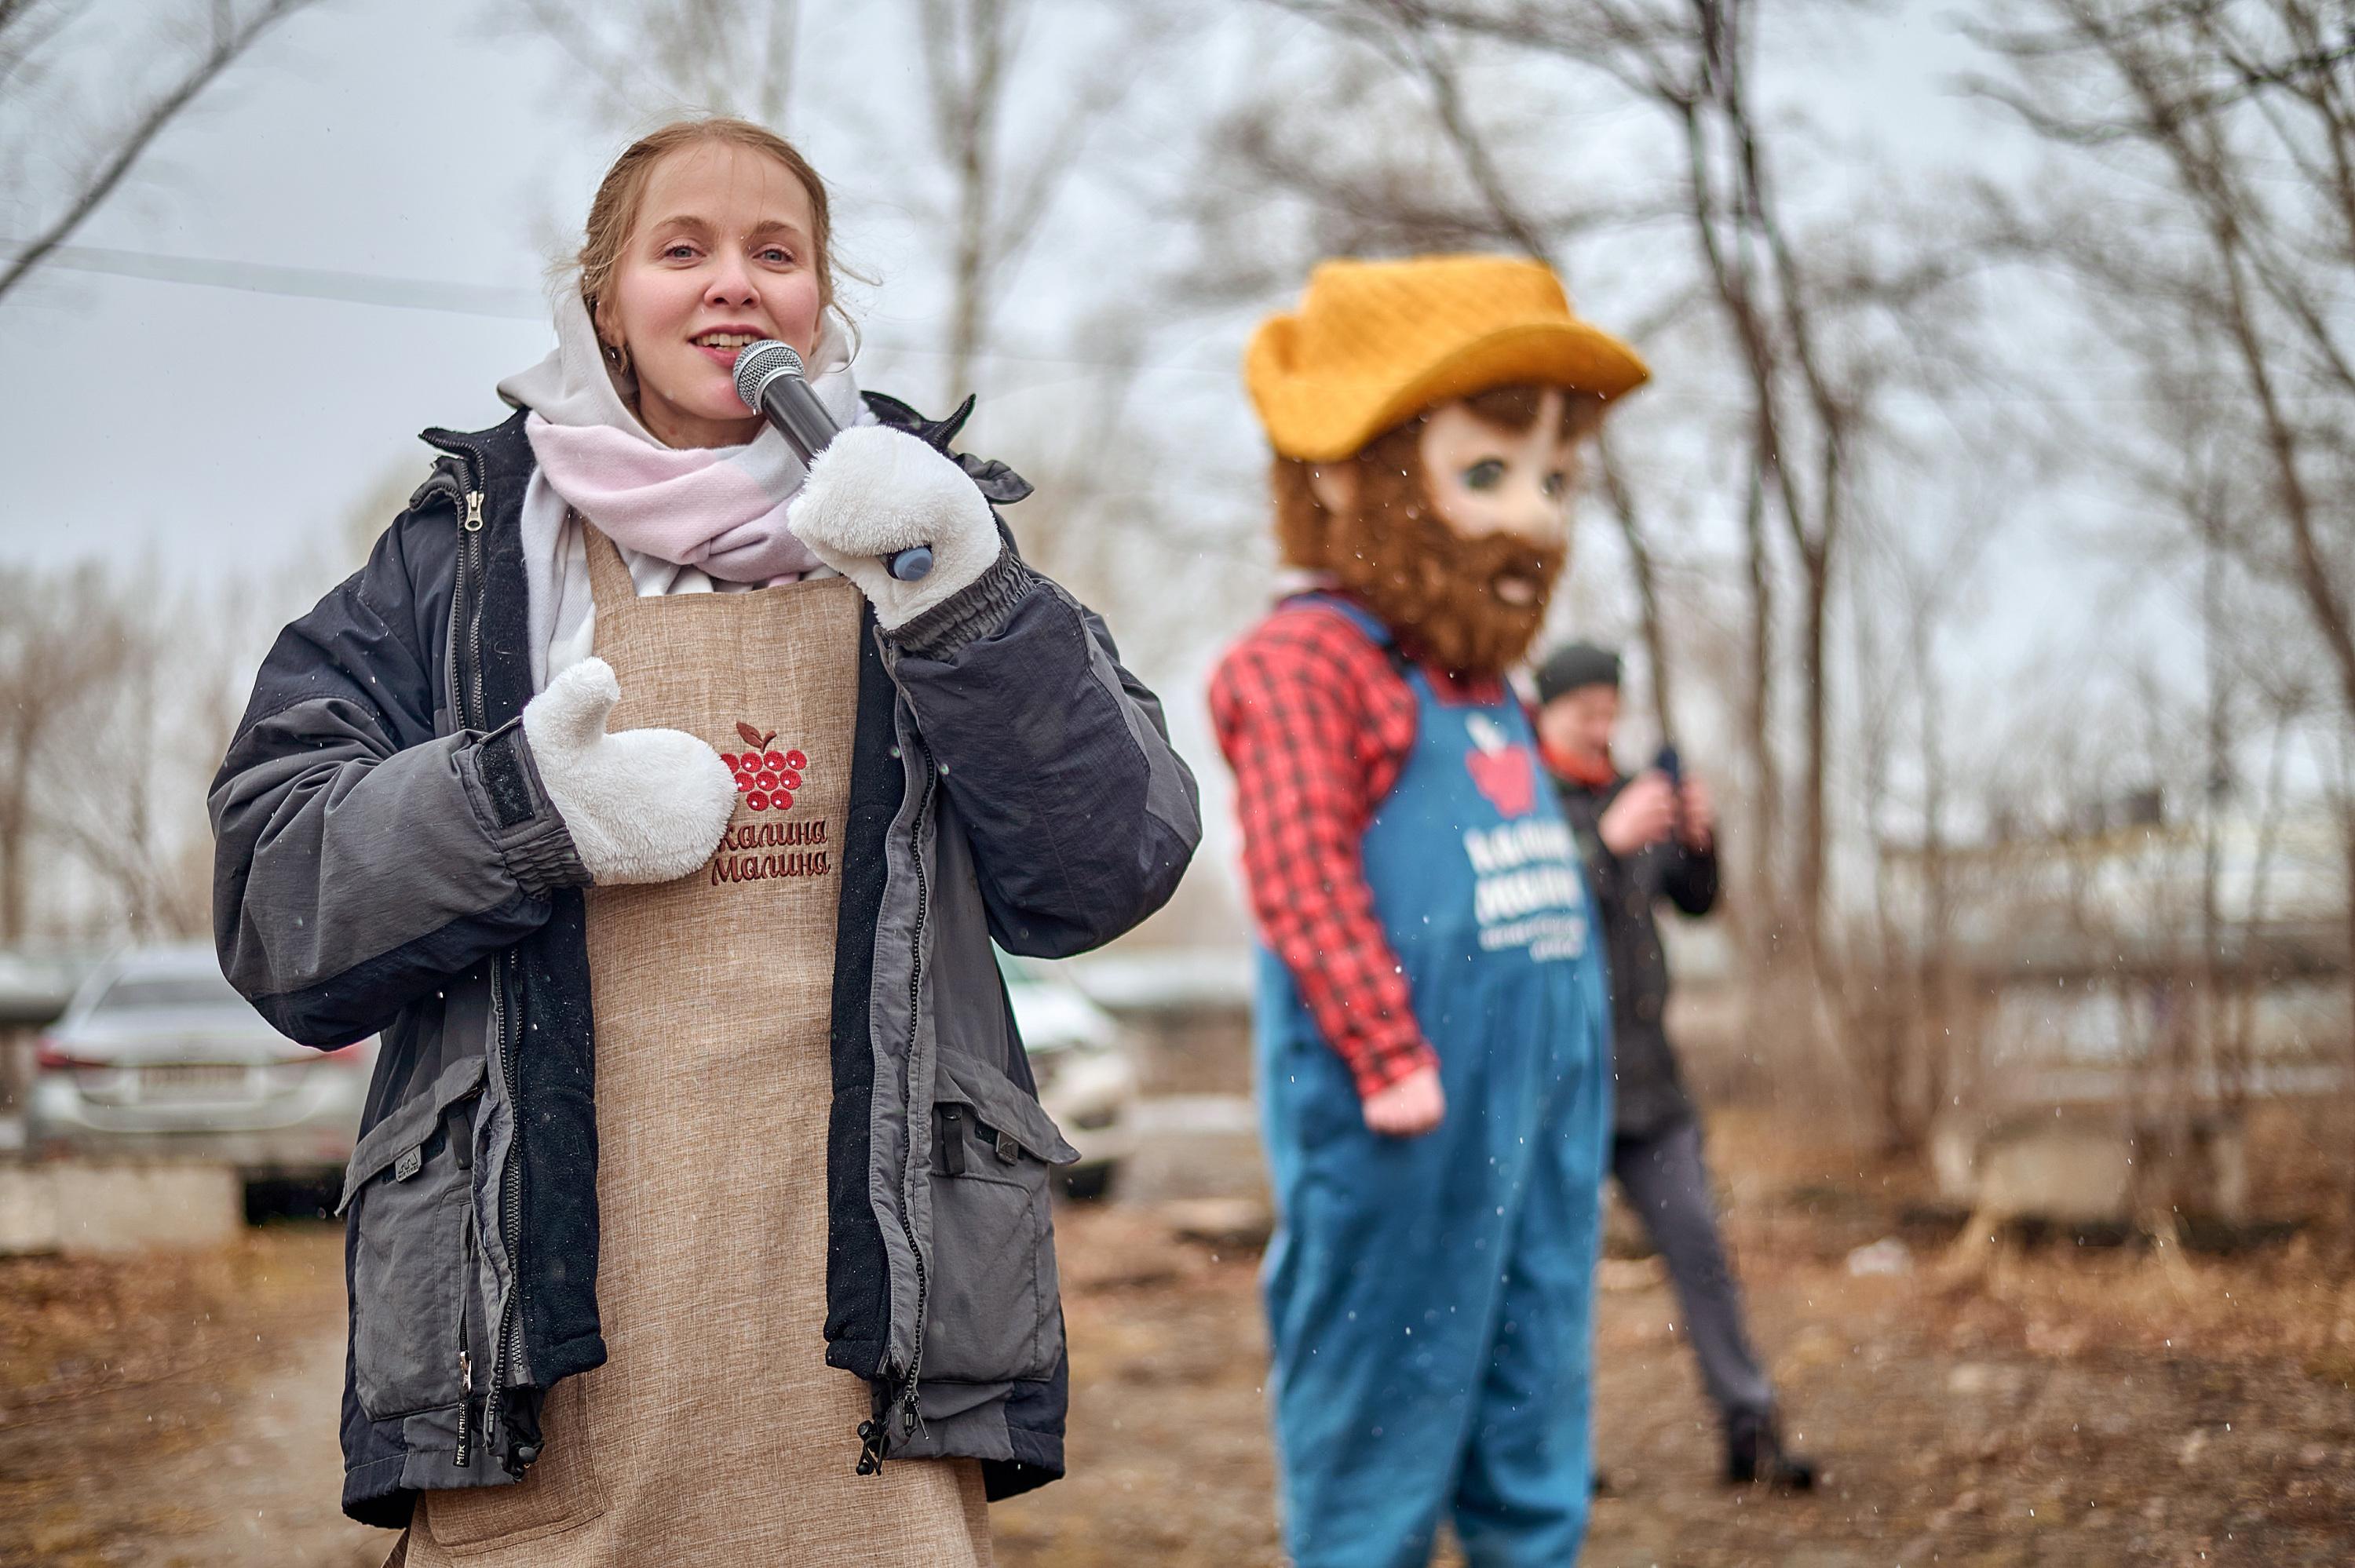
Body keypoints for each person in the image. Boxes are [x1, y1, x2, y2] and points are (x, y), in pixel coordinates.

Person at [210, 117, 1199, 1566]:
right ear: (604, 300)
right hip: (544, 1365)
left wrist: (972, 608)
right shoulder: (466, 554)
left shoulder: (931, 524)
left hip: (860, 1362)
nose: (733, 282)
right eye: (684, 250)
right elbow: (275, 900)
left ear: (820, 306)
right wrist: (521, 808)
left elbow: (1110, 859)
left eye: (775, 253)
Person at [1209, 255, 1643, 1566]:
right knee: (1381, 1416)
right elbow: (1296, 865)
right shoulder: (1315, 660)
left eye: (1558, 483)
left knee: (1534, 1398)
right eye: (1491, 474)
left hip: (1541, 1121)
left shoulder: (1484, 680)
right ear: (1347, 472)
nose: (1539, 523)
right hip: (1397, 1121)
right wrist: (1385, 1045)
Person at [1532, 642, 1815, 1491]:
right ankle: (1552, 1457)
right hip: (1557, 1087)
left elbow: (1692, 902)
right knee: (1553, 1281)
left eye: (1609, 707)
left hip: (1650, 1083)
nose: (1600, 722)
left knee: (1701, 1252)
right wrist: (1602, 846)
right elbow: (1530, 912)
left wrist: (1700, 839)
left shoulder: (1631, 794)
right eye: (1584, 708)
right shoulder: (1524, 805)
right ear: (1546, 712)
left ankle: (1750, 1429)